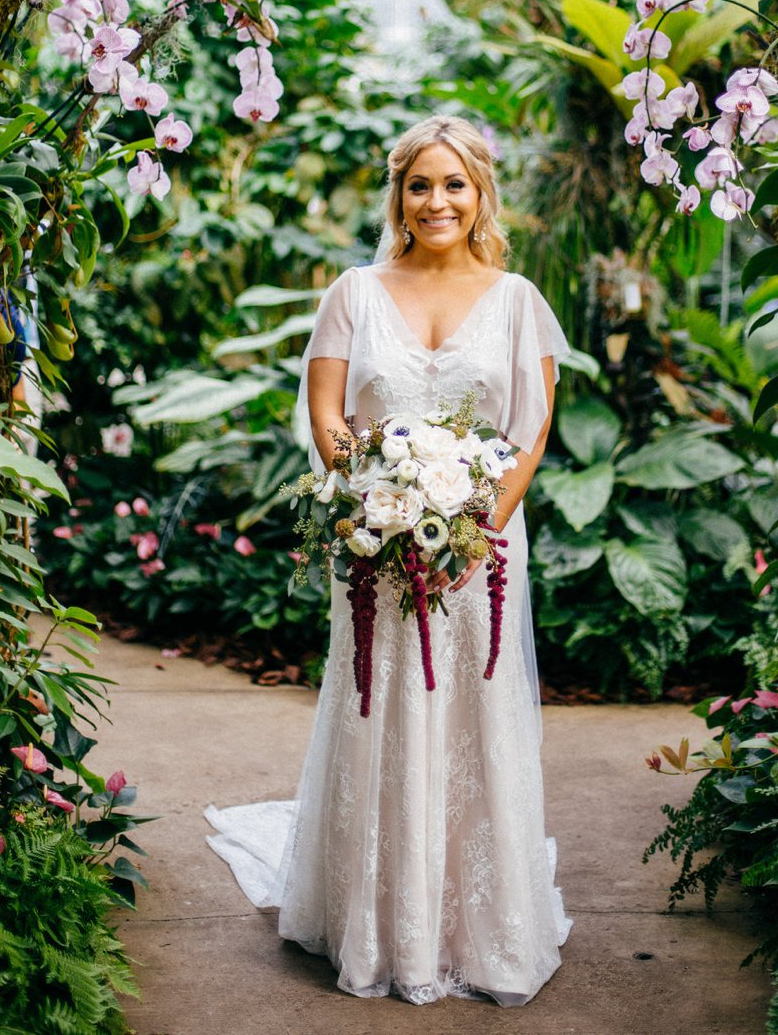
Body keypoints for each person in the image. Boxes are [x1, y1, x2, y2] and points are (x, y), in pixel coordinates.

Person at [206, 114, 572, 1004]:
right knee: (380, 710)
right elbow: (328, 415)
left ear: (480, 193)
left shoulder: (518, 298)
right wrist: (382, 505)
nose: (437, 201)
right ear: (398, 196)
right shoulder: (354, 293)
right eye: (420, 185)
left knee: (473, 720)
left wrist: (476, 528)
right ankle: (374, 921)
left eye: (455, 184)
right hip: (376, 545)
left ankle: (476, 923)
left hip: (479, 551)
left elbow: (529, 430)